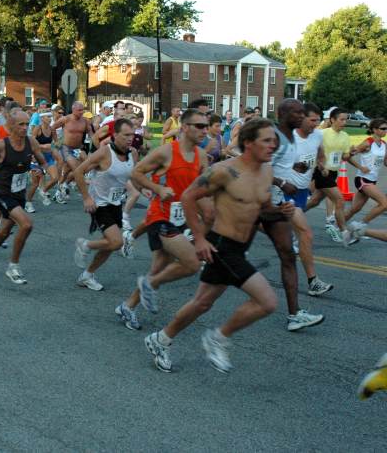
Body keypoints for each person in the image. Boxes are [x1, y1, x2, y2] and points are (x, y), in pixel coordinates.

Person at [143, 119, 281, 374]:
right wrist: (200, 238)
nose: (273, 145)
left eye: (274, 140)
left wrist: (280, 212)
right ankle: (219, 337)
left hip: (241, 246)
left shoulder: (267, 172)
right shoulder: (224, 171)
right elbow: (188, 197)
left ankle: (161, 339)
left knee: (202, 302)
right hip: (221, 246)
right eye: (267, 140)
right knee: (267, 301)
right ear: (249, 143)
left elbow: (260, 208)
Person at [115, 108, 207, 331]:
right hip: (159, 216)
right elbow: (136, 172)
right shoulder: (166, 152)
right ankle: (148, 285)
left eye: (206, 126)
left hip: (181, 218)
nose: (205, 130)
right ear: (184, 128)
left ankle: (127, 306)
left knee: (158, 268)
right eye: (200, 126)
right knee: (192, 263)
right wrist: (156, 187)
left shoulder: (201, 156)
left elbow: (200, 191)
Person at [262, 99, 324, 331]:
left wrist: (295, 167)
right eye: (297, 112)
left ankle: (295, 315)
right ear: (284, 113)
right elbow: (253, 165)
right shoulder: (273, 136)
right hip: (253, 204)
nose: (301, 115)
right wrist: (281, 181)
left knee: (288, 256)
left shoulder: (289, 139)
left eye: (302, 112)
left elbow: (279, 163)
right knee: (227, 257)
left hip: (275, 206)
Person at [0, 108, 49, 284]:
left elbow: (42, 160)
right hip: (2, 191)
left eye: (27, 124)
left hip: (18, 193)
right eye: (21, 124)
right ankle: (13, 266)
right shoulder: (1, 144)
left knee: (3, 232)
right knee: (26, 224)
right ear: (11, 126)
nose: (25, 128)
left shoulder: (31, 142)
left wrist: (42, 169)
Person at [72, 118, 137, 291]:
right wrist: (86, 198)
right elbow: (78, 171)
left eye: (133, 134)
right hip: (99, 204)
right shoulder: (104, 153)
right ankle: (85, 244)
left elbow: (130, 175)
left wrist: (143, 188)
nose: (130, 138)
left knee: (109, 244)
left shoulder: (133, 153)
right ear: (115, 135)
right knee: (116, 242)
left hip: (115, 203)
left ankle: (87, 275)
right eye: (126, 135)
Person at [283, 102, 333, 296]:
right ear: (300, 118)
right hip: (284, 191)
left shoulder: (318, 136)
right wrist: (293, 167)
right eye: (312, 120)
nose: (316, 124)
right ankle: (313, 282)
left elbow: (320, 154)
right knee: (305, 233)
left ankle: (224, 243)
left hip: (302, 192)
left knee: (270, 228)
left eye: (318, 121)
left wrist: (321, 165)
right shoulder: (288, 139)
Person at [304, 108, 353, 242]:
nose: (344, 122)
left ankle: (291, 215)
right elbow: (313, 150)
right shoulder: (322, 133)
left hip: (333, 172)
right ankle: (344, 232)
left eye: (345, 119)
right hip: (321, 171)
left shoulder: (345, 136)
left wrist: (350, 153)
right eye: (341, 119)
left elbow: (345, 155)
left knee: (314, 201)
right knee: (339, 200)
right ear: (332, 120)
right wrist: (320, 165)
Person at [344, 118, 387, 228]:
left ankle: (336, 225)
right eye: (383, 128)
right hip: (363, 179)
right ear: (374, 129)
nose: (385, 130)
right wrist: (360, 167)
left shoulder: (384, 144)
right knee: (384, 203)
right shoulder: (367, 143)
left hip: (372, 180)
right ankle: (360, 226)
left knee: (355, 209)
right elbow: (348, 157)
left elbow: (385, 163)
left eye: (386, 128)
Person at [50, 101, 93, 203]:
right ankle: (83, 195)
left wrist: (96, 145)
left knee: (86, 165)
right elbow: (52, 128)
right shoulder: (66, 119)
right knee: (76, 168)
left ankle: (64, 184)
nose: (81, 112)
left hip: (78, 148)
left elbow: (91, 133)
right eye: (79, 110)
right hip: (66, 148)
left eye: (83, 110)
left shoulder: (85, 121)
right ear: (73, 110)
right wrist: (56, 142)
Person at [26, 111, 58, 209]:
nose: (50, 118)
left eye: (50, 116)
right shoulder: (37, 128)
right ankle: (28, 203)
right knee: (35, 184)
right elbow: (30, 143)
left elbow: (57, 143)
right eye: (48, 117)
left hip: (48, 157)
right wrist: (42, 146)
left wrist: (53, 146)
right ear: (42, 118)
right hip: (36, 157)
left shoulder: (52, 129)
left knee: (55, 178)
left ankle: (43, 191)